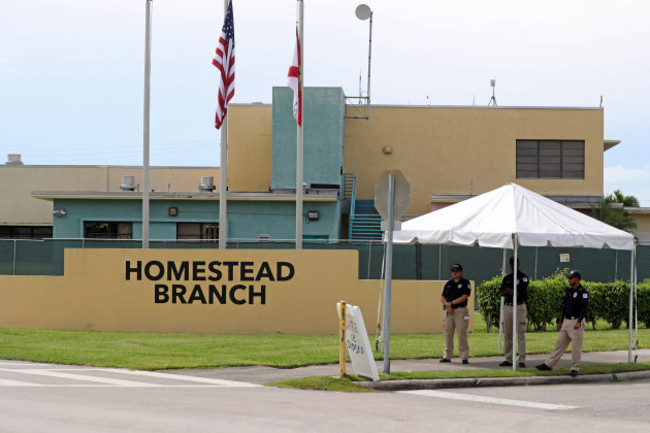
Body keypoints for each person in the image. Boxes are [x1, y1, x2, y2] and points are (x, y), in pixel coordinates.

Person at [536, 270, 589, 377]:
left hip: (576, 321)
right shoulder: (568, 291)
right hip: (566, 321)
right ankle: (549, 364)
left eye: (571, 278)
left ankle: (575, 368)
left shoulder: (583, 292)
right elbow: (564, 307)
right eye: (568, 278)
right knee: (559, 344)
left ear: (577, 279)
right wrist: (560, 320)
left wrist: (579, 321)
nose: (569, 280)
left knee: (576, 347)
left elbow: (584, 309)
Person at [499, 257, 529, 368]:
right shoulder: (507, 278)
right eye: (511, 263)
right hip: (508, 307)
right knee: (508, 334)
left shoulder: (523, 278)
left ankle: (521, 359)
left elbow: (519, 292)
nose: (513, 265)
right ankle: (508, 359)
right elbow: (502, 292)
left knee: (520, 333)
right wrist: (511, 291)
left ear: (518, 264)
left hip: (519, 306)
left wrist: (510, 290)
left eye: (515, 263)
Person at [440, 263, 472, 364]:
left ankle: (464, 357)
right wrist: (448, 305)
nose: (454, 273)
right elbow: (442, 297)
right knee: (448, 333)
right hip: (449, 311)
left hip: (460, 311)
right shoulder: (448, 284)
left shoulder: (465, 283)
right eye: (453, 271)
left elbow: (465, 296)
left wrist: (451, 303)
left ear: (461, 272)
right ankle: (447, 356)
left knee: (461, 333)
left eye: (456, 271)